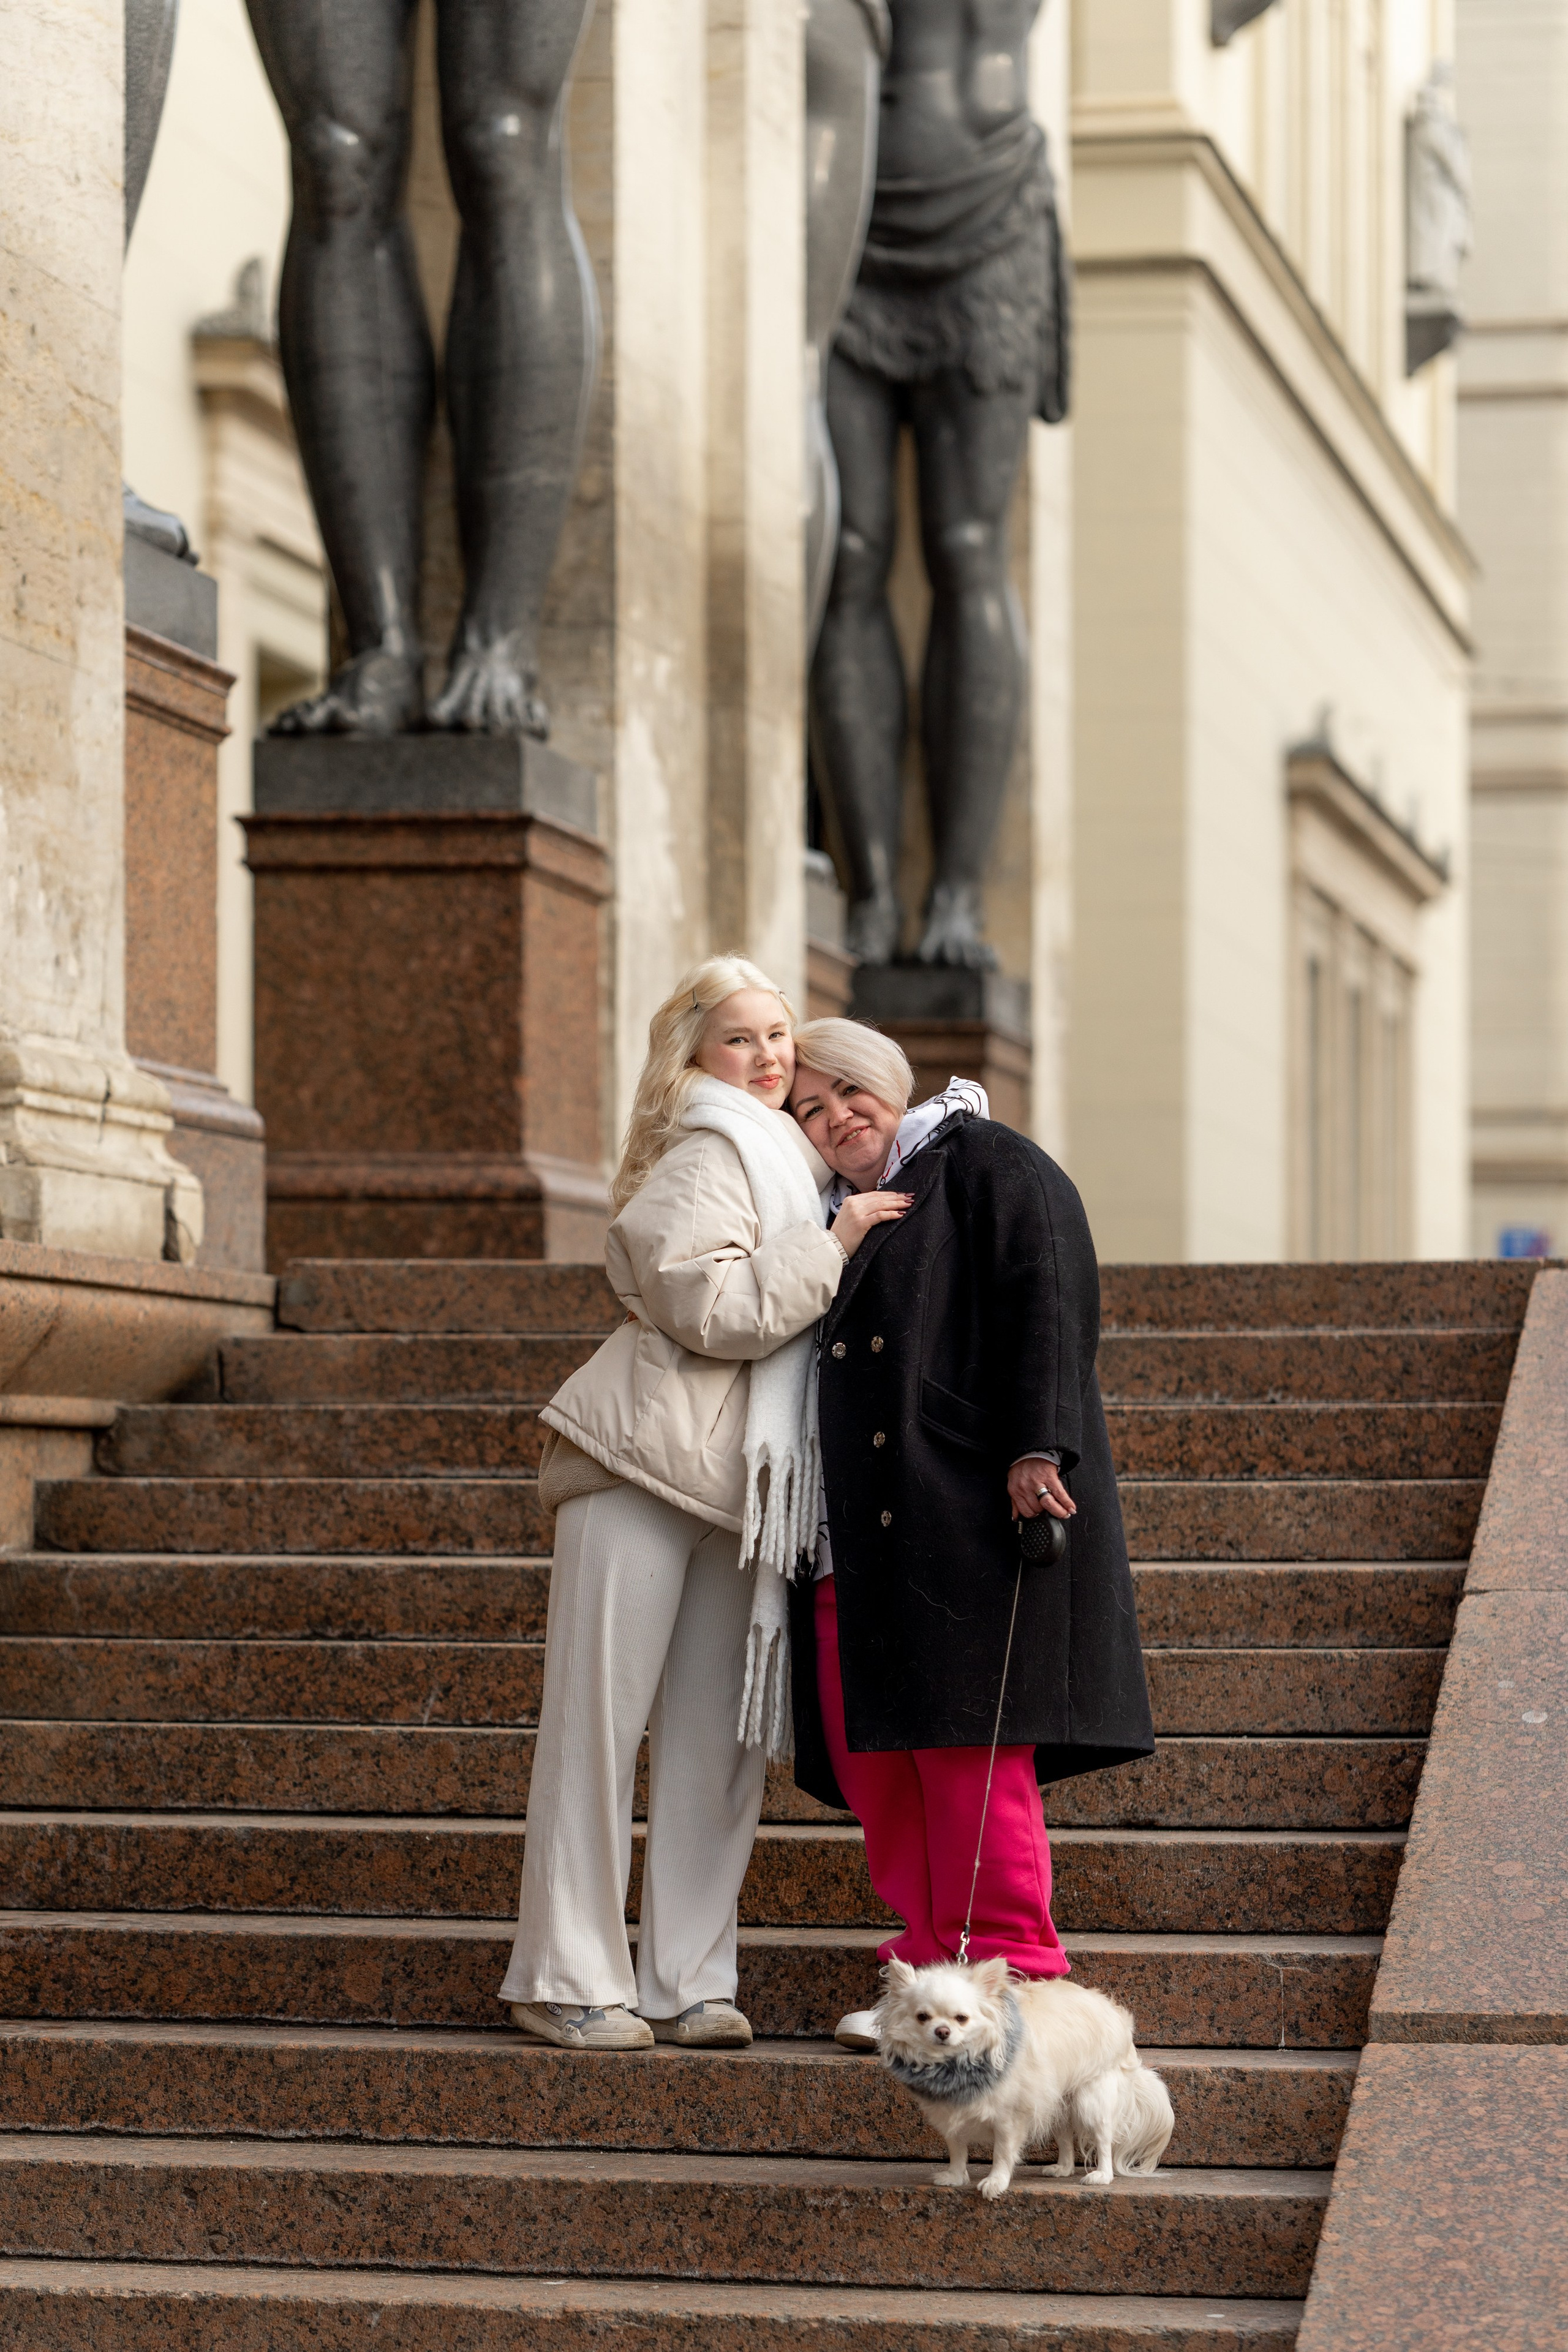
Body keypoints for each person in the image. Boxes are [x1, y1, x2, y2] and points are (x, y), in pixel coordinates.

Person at [498, 962, 908, 2051]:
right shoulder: (713, 1148)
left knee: (716, 1749)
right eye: (740, 1039)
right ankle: (566, 1976)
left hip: (738, 1490)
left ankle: (687, 1979)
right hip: (641, 1466)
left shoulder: (788, 1158)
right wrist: (832, 1245)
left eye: (779, 1034)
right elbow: (710, 1306)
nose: (769, 1056)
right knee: (597, 1726)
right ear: (693, 1055)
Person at [785, 1017, 1154, 2048]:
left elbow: (1050, 1300)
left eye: (849, 1091)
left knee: (964, 1760)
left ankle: (1018, 1972)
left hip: (962, 1514)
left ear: (892, 1085)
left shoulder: (989, 1163)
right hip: (853, 1535)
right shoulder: (828, 1213)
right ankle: (927, 1982)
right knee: (880, 1767)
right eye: (811, 1108)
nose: (835, 1117)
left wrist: (1040, 1449)